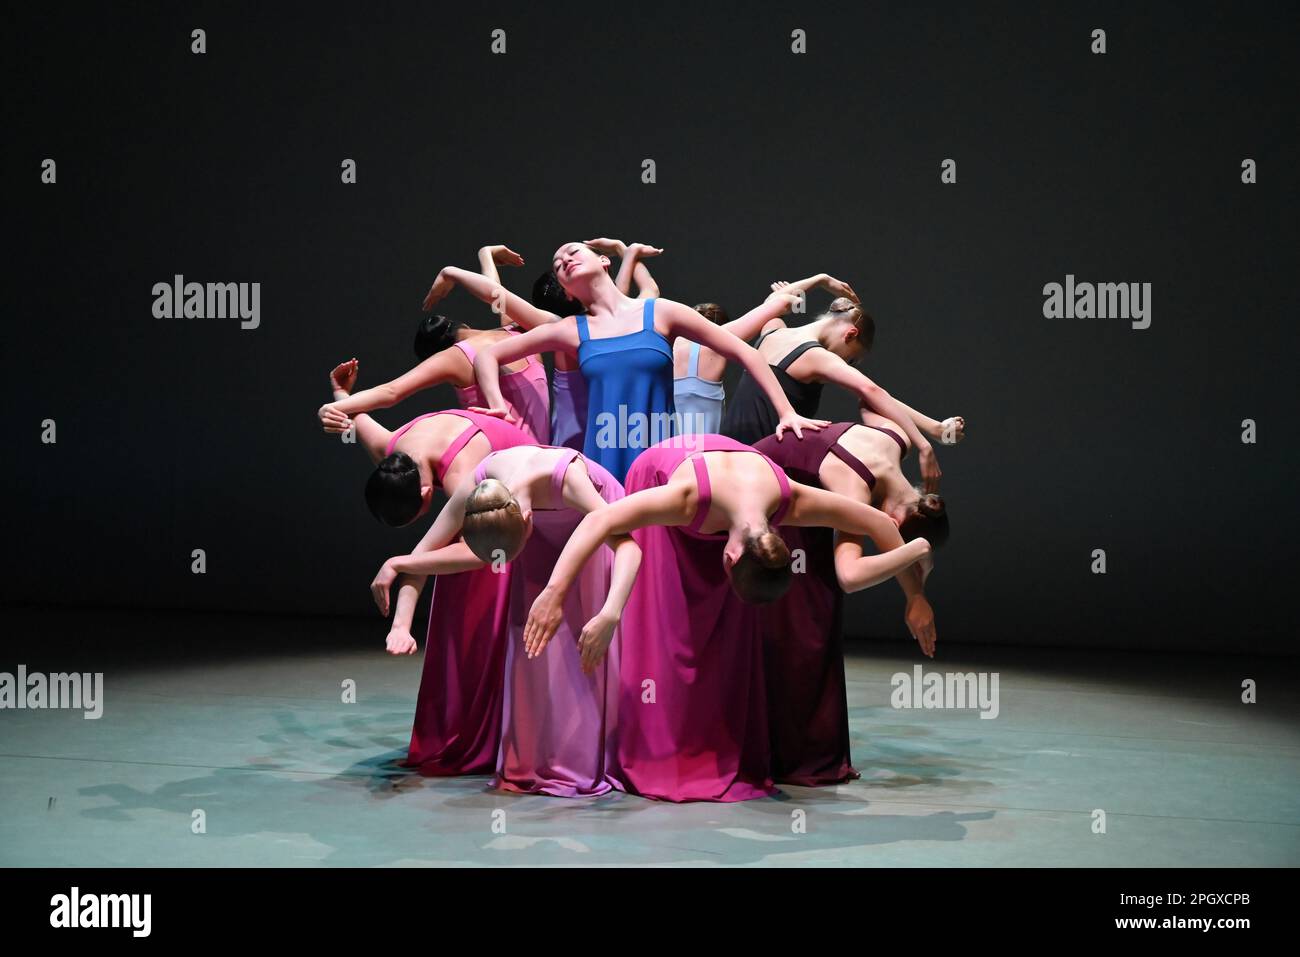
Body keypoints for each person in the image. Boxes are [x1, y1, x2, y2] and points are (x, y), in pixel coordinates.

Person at [523, 434, 934, 802]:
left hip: (736, 484)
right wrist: (554, 592)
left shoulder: (790, 499)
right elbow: (600, 519)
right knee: (674, 630)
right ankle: (662, 746)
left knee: (727, 634)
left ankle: (716, 742)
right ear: (730, 556)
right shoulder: (682, 500)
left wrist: (915, 597)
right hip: (665, 470)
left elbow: (879, 522)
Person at [370, 445, 641, 797]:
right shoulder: (480, 486)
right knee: (531, 641)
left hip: (589, 534)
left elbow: (629, 547)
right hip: (538, 536)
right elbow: (422, 556)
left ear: (526, 522)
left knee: (582, 646)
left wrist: (609, 614)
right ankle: (536, 760)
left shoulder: (568, 480)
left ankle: (589, 755)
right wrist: (400, 623)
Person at [440, 241, 828, 481]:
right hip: (601, 459)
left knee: (657, 556)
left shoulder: (659, 312)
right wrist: (495, 404)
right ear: (564, 289)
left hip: (661, 454)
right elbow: (490, 354)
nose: (564, 260)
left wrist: (786, 413)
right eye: (558, 265)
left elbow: (743, 350)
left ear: (602, 262)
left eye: (572, 251)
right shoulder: (571, 330)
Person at [325, 360, 533, 776]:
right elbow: (354, 415)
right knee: (443, 580)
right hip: (483, 504)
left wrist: (404, 565)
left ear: (426, 493)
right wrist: (339, 395)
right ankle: (456, 725)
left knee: (469, 602)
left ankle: (490, 735)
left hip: (516, 515)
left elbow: (488, 552)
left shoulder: (464, 481)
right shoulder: (393, 452)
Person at [753, 410, 954, 785]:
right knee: (813, 619)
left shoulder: (895, 440)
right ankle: (793, 757)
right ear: (895, 525)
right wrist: (915, 555)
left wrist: (929, 437)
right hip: (764, 500)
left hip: (795, 503)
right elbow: (848, 576)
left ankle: (802, 751)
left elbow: (874, 403)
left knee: (820, 605)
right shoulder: (856, 490)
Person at [720, 295, 964, 491]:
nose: (845, 364)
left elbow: (774, 302)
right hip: (761, 463)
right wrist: (924, 446)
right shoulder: (815, 357)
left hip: (727, 449)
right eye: (851, 358)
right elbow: (870, 390)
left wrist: (935, 429)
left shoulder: (772, 330)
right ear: (850, 334)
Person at [318, 244, 551, 442]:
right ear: (463, 324)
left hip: (514, 470)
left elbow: (391, 391)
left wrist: (335, 405)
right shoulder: (517, 330)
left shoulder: (456, 357)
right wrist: (485, 254)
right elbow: (496, 293)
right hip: (542, 466)